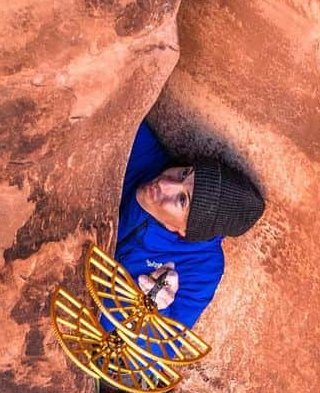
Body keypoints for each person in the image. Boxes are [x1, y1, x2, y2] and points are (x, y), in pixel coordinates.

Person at [113, 117, 265, 331]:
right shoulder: (149, 164)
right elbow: (117, 112)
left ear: (184, 231)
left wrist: (156, 309)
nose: (165, 183)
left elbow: (155, 354)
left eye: (182, 200)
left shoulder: (201, 268)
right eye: (184, 173)